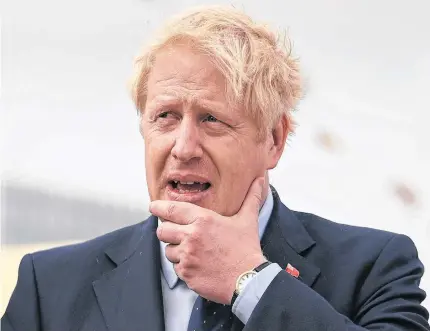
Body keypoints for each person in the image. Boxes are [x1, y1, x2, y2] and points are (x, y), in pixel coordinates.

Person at [2, 5, 429, 331]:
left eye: (212, 119)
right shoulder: (49, 288)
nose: (183, 147)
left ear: (274, 140)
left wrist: (250, 281)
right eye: (165, 116)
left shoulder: (375, 268)